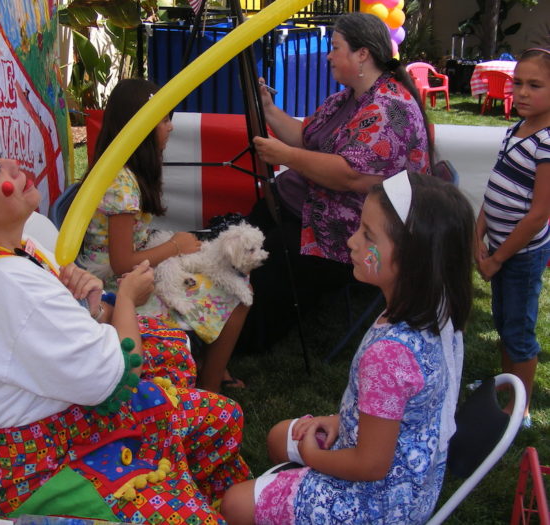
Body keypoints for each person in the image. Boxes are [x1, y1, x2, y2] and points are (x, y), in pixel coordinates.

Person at [0, 108, 249, 522]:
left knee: (221, 415)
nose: (13, 163)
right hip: (40, 466)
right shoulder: (6, 284)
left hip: (62, 422)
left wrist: (88, 301)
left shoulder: (14, 251)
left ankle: (218, 501)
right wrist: (124, 300)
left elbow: (46, 336)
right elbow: (114, 377)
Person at [221, 171, 475, 524]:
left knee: (234, 503)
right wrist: (339, 420)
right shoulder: (434, 308)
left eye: (368, 235)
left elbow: (369, 465)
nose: (353, 242)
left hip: (377, 501)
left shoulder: (390, 353)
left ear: (412, 259)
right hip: (405, 468)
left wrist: (314, 457)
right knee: (281, 436)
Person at [240, 12, 433, 351]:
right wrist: (268, 108)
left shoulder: (389, 107)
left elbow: (351, 175)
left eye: (335, 47)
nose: (329, 55)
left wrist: (285, 156)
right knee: (244, 240)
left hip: (348, 232)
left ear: (362, 54)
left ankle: (244, 338)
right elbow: (305, 137)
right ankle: (223, 319)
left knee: (274, 253)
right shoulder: (347, 99)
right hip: (304, 209)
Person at [79, 78, 249, 393]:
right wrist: (175, 246)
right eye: (163, 120)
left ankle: (213, 369)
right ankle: (210, 388)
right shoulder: (121, 182)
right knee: (238, 296)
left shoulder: (126, 171)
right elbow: (120, 263)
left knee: (232, 278)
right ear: (140, 127)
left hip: (136, 268)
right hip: (117, 286)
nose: (170, 127)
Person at [475, 47, 550, 429]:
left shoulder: (548, 142)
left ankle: (519, 410)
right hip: (499, 248)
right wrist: (479, 231)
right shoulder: (514, 131)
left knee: (519, 332)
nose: (521, 91)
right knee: (505, 324)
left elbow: (538, 214)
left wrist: (498, 257)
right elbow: (498, 185)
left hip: (519, 255)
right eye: (518, 82)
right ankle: (508, 390)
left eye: (534, 85)